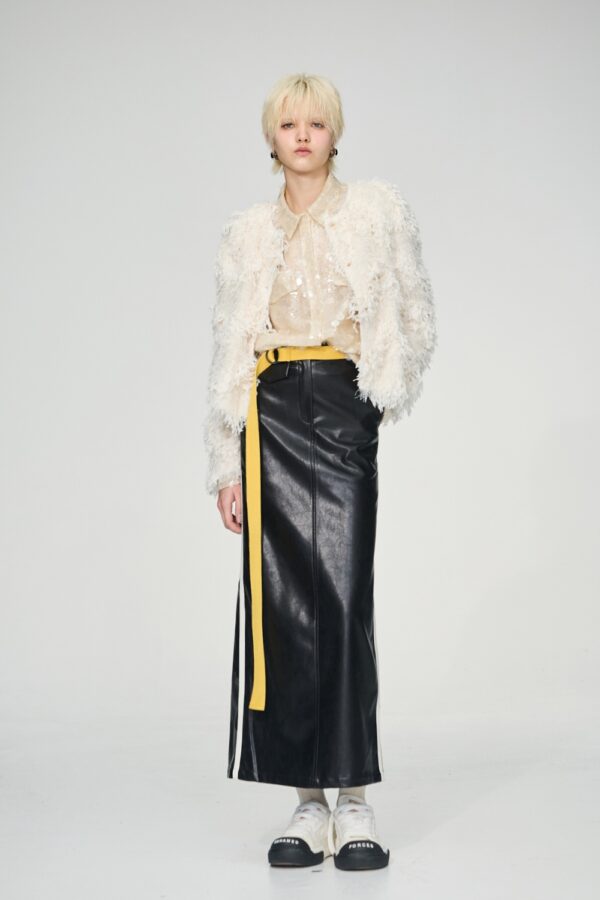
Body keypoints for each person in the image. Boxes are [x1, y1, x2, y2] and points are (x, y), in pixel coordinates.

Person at [203, 73, 437, 871]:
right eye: (288, 124)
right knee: (283, 609)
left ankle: (355, 798)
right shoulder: (247, 234)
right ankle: (307, 803)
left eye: (316, 123)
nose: (302, 135)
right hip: (268, 413)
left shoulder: (374, 213)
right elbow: (228, 349)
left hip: (340, 406)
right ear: (271, 138)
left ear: (336, 133)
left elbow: (413, 312)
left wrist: (377, 397)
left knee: (341, 601)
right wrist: (226, 462)